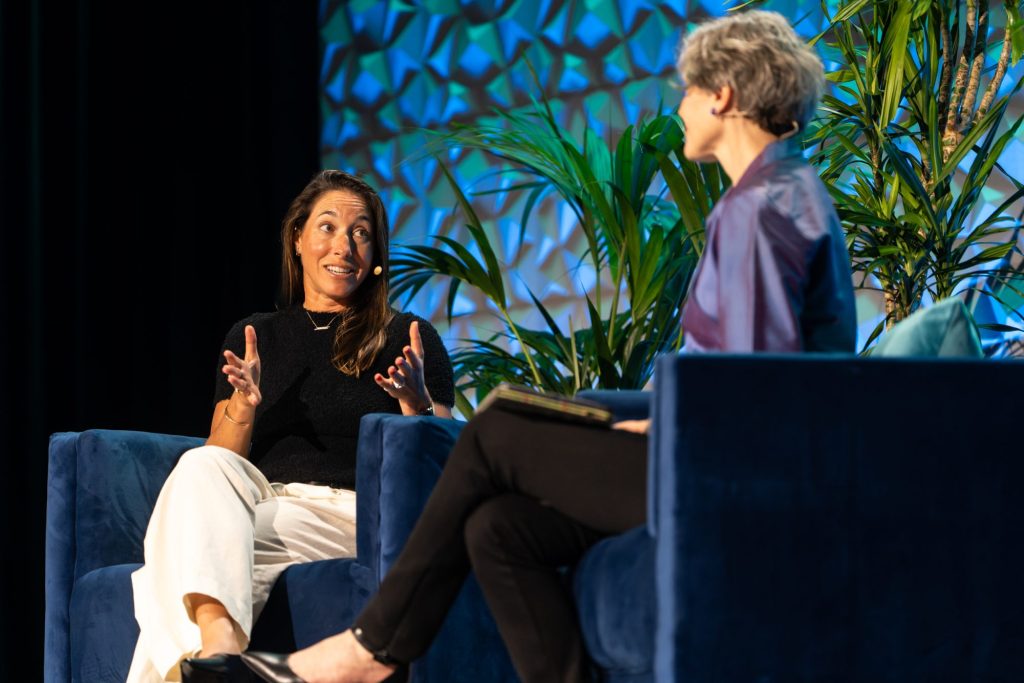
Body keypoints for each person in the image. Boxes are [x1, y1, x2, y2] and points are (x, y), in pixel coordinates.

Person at [242, 10, 857, 683]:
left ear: (723, 95)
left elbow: (752, 383)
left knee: (496, 431)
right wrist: (651, 414)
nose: (679, 109)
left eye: (685, 90)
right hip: (723, 453)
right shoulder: (783, 190)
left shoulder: (759, 206)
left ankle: (370, 650)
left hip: (728, 472)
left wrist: (660, 421)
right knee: (499, 530)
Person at [125, 170, 455, 683]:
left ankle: (217, 657)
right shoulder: (255, 335)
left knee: (168, 568)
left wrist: (416, 403)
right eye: (327, 227)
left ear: (376, 256)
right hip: (265, 502)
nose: (343, 245)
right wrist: (245, 401)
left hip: (352, 513)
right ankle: (221, 650)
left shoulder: (405, 337)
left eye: (361, 232)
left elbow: (446, 469)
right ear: (296, 239)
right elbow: (222, 458)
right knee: (200, 466)